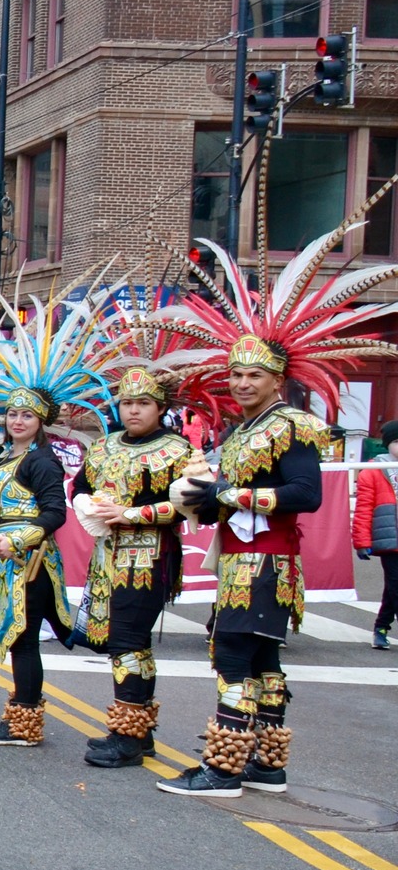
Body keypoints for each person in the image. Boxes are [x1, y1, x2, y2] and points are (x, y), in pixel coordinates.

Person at [161, 339, 329, 796]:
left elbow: (307, 493)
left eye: (254, 375)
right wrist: (207, 500)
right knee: (262, 660)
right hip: (243, 559)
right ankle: (267, 766)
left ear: (278, 379)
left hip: (266, 561)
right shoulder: (243, 430)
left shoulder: (291, 425)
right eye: (236, 374)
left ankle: (223, 769)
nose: (242, 383)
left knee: (233, 654)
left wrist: (229, 496)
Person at [71, 366, 195, 768]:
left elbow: (187, 505)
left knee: (128, 641)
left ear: (160, 407)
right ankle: (136, 732)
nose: (134, 410)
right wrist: (89, 506)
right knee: (124, 644)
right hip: (108, 555)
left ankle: (128, 736)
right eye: (127, 403)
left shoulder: (179, 451)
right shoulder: (104, 446)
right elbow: (80, 487)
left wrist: (130, 513)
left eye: (143, 403)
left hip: (149, 556)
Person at [0, 391, 74, 747]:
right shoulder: (5, 459)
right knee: (18, 640)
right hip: (5, 561)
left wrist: (18, 540)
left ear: (41, 422)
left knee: (25, 641)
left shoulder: (42, 461)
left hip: (30, 561)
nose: (18, 421)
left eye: (27, 416)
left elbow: (55, 512)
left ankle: (25, 721)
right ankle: (20, 715)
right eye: (13, 414)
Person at [351, 417, 398, 652]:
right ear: (387, 444)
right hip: (389, 539)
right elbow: (364, 508)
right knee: (397, 584)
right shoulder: (374, 470)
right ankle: (382, 628)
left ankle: (381, 627)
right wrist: (361, 541)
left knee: (392, 588)